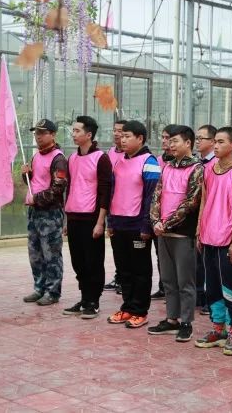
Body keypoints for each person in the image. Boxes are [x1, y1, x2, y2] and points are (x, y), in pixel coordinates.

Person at [194, 126, 232, 356]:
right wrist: (199, 231)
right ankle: (218, 329)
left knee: (231, 288)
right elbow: (204, 202)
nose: (215, 145)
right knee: (212, 286)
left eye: (220, 142)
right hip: (208, 237)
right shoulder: (209, 170)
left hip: (228, 239)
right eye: (215, 141)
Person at [148, 125, 203, 342]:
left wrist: (167, 223)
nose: (170, 145)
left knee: (185, 281)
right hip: (163, 232)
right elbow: (157, 196)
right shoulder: (168, 167)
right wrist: (155, 221)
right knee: (168, 279)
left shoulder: (197, 169)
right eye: (169, 141)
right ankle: (172, 319)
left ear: (188, 143)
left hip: (182, 233)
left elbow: (191, 202)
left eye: (175, 141)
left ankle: (186, 322)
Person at [107, 120, 161, 328]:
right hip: (119, 224)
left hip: (138, 227)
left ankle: (140, 310)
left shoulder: (149, 162)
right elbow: (113, 193)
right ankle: (127, 307)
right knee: (124, 270)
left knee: (140, 270)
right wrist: (111, 222)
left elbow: (151, 197)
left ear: (140, 138)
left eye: (127, 136)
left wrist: (147, 226)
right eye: (121, 136)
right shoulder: (119, 161)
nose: (122, 139)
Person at [63, 116, 112, 319]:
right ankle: (84, 298)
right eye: (73, 130)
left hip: (91, 218)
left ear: (89, 134)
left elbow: (105, 192)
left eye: (77, 131)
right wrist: (66, 220)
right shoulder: (72, 159)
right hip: (73, 216)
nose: (73, 134)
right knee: (78, 261)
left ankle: (94, 301)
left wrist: (100, 222)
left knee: (93, 261)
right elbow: (70, 189)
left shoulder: (101, 158)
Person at [21, 119, 69, 306]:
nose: (38, 137)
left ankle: (53, 291)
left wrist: (37, 199)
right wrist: (26, 174)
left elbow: (58, 187)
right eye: (36, 133)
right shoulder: (36, 157)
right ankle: (39, 287)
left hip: (50, 214)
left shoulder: (58, 159)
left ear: (53, 135)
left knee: (51, 254)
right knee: (35, 253)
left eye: (42, 133)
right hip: (34, 212)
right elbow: (34, 183)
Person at [194, 124, 217, 315]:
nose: (197, 142)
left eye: (201, 138)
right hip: (196, 217)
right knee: (197, 261)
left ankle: (212, 299)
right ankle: (199, 296)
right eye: (196, 138)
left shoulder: (216, 165)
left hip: (212, 219)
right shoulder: (197, 163)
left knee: (209, 263)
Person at [151, 126, 175, 301]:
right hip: (157, 217)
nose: (165, 141)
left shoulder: (189, 165)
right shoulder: (157, 161)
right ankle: (164, 287)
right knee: (161, 255)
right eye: (164, 137)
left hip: (175, 218)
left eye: (169, 138)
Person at [104, 120, 127, 294]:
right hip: (111, 205)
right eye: (115, 130)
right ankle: (119, 277)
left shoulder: (131, 155)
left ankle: (125, 280)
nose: (117, 134)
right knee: (116, 245)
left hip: (126, 206)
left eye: (121, 131)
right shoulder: (110, 153)